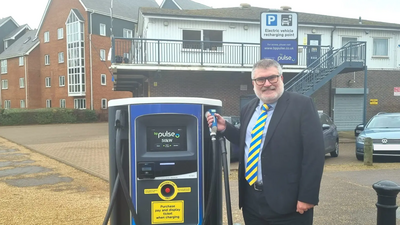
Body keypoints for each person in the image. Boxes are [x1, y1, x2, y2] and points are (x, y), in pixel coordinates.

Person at [207, 58, 325, 225]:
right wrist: (225, 128)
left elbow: (314, 154)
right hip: (252, 203)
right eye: (261, 79)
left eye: (272, 78)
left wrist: (307, 197)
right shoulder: (248, 109)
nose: (267, 83)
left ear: (281, 78)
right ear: (254, 83)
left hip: (289, 204)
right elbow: (249, 142)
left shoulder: (302, 105)